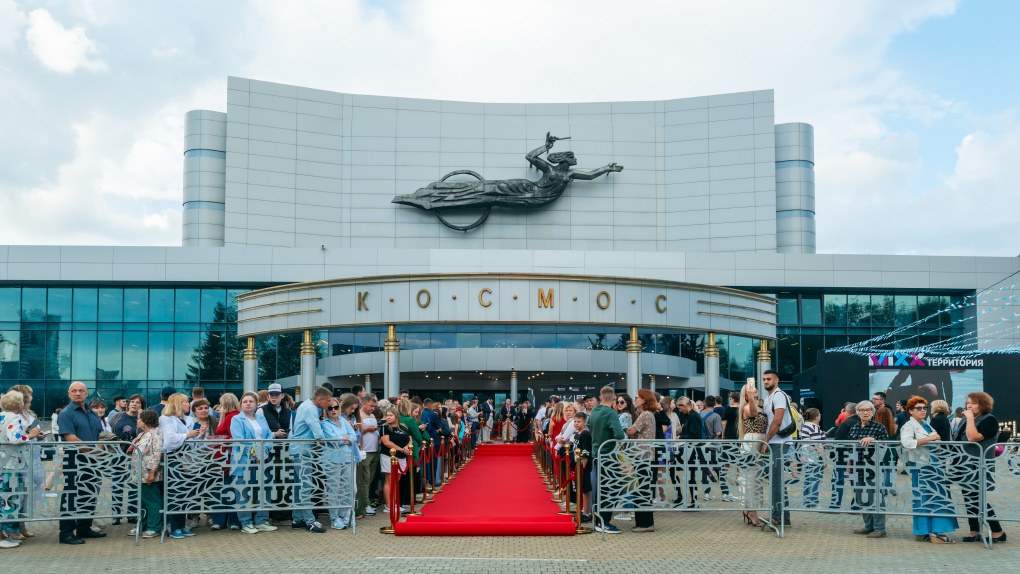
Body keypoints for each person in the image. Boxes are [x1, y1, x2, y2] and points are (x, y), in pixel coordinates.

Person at [899, 396, 957, 543]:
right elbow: (906, 443)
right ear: (911, 411)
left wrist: (935, 440)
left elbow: (932, 440)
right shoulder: (908, 426)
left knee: (935, 498)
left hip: (932, 465)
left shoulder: (925, 424)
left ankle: (925, 532)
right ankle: (934, 533)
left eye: (924, 408)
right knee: (926, 499)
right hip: (921, 466)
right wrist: (929, 439)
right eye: (919, 408)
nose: (923, 411)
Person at [56, 381, 106, 545]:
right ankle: (66, 533)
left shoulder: (92, 412)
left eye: (81, 391)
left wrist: (98, 452)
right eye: (74, 391)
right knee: (71, 496)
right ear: (69, 394)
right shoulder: (66, 413)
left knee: (90, 493)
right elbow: (71, 439)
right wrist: (95, 453)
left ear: (87, 393)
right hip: (75, 459)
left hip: (93, 460)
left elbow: (100, 436)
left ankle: (84, 528)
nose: (77, 393)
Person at [955, 392, 1005, 544]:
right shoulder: (964, 420)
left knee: (978, 499)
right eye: (968, 402)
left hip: (979, 466)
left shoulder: (989, 420)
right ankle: (974, 530)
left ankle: (997, 531)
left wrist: (970, 418)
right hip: (964, 465)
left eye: (974, 403)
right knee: (969, 498)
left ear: (983, 405)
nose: (969, 406)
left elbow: (973, 437)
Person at [228, 392, 276, 534]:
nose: (248, 403)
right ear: (240, 404)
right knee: (242, 491)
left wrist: (262, 453)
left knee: (264, 489)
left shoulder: (261, 418)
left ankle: (261, 520)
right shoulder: (237, 420)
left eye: (251, 401)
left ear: (256, 404)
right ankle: (246, 523)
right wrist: (254, 454)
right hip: (243, 460)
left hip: (263, 459)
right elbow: (240, 439)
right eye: (245, 401)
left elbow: (268, 436)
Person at [1, 390, 42, 547]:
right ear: (19, 404)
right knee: (9, 500)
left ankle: (5, 534)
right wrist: (30, 435)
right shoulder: (14, 417)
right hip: (10, 465)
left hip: (4, 463)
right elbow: (14, 439)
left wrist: (24, 432)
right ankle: (2, 538)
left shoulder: (3, 416)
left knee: (5, 499)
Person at [291, 386, 333, 533]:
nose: (330, 404)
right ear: (320, 399)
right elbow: (318, 433)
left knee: (299, 485)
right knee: (305, 486)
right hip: (303, 451)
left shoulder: (307, 405)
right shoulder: (311, 409)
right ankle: (309, 521)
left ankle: (298, 518)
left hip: (299, 450)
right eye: (328, 401)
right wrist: (334, 439)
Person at [160, 393, 202, 539]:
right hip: (173, 458)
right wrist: (188, 435)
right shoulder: (166, 419)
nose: (188, 404)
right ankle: (172, 526)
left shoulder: (188, 419)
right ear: (178, 403)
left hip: (187, 458)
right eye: (185, 401)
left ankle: (182, 525)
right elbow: (169, 441)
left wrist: (197, 434)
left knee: (184, 493)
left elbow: (192, 440)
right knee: (174, 493)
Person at [847, 400, 888, 538]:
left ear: (872, 412)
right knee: (861, 498)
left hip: (873, 468)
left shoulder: (879, 427)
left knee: (875, 498)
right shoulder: (854, 427)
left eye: (868, 410)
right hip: (857, 467)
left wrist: (874, 440)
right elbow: (850, 448)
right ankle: (868, 526)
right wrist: (848, 466)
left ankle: (880, 528)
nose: (865, 412)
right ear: (857, 412)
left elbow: (886, 446)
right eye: (862, 410)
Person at [590, 386, 625, 534]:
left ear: (600, 397)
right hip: (608, 454)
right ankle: (604, 521)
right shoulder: (611, 413)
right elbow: (619, 434)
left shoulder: (595, 410)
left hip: (597, 453)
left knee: (602, 488)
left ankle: (599, 519)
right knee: (614, 487)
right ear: (614, 398)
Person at [760, 369, 793, 528]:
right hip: (776, 442)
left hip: (779, 442)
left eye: (769, 379)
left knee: (776, 481)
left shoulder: (779, 395)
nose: (766, 381)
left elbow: (777, 421)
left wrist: (766, 441)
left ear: (776, 380)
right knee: (777, 480)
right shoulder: (769, 398)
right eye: (764, 379)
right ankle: (783, 517)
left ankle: (776, 518)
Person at [322, 396, 361, 529]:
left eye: (336, 407)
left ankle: (344, 515)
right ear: (326, 410)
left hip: (347, 458)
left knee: (348, 488)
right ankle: (334, 518)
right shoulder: (324, 424)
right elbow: (333, 440)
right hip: (333, 459)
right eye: (330, 408)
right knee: (334, 489)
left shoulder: (343, 421)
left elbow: (354, 437)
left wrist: (342, 439)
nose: (333, 410)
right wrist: (343, 439)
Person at [624, 388, 658, 533]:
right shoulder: (647, 414)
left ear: (644, 400)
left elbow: (631, 431)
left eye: (637, 397)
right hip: (643, 455)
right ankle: (644, 522)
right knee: (642, 488)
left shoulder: (645, 414)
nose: (635, 399)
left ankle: (645, 524)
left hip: (641, 455)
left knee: (641, 489)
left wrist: (629, 431)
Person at [108, 394, 145, 525]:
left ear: (142, 405)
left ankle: (132, 514)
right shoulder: (117, 416)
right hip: (118, 454)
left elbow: (144, 435)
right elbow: (109, 431)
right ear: (128, 404)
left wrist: (141, 417)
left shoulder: (143, 419)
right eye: (132, 402)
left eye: (138, 402)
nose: (135, 404)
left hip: (134, 456)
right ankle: (116, 515)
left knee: (133, 485)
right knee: (117, 484)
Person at [211, 393, 242, 531]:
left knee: (227, 488)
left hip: (227, 457)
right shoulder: (228, 416)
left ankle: (228, 520)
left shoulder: (232, 416)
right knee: (224, 488)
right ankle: (224, 520)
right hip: (222, 457)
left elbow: (233, 436)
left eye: (222, 404)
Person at [132, 410, 165, 539]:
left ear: (145, 421)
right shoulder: (142, 435)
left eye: (139, 419)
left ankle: (154, 527)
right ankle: (143, 524)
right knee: (143, 502)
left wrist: (152, 472)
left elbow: (157, 452)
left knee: (153, 501)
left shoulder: (156, 433)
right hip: (139, 474)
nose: (137, 421)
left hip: (149, 474)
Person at [379, 407, 411, 514]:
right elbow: (386, 442)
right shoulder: (385, 427)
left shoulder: (404, 427)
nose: (388, 417)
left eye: (390, 415)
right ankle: (388, 505)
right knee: (389, 480)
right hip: (389, 456)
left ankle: (395, 503)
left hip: (402, 456)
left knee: (397, 480)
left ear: (396, 416)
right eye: (387, 415)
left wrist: (407, 447)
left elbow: (409, 439)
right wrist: (401, 449)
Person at [358, 394, 380, 516]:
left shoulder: (372, 415)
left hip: (374, 450)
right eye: (371, 406)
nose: (373, 408)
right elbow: (357, 432)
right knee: (365, 479)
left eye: (374, 406)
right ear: (364, 403)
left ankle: (367, 501)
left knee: (370, 479)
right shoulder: (359, 415)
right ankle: (365, 503)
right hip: (365, 450)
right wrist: (367, 430)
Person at [570, 412, 593, 522]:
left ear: (584, 422)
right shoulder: (576, 433)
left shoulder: (585, 434)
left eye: (579, 422)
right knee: (581, 489)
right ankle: (583, 510)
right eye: (575, 421)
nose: (576, 424)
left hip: (583, 467)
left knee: (586, 489)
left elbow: (586, 452)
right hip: (577, 465)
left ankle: (587, 512)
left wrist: (582, 467)